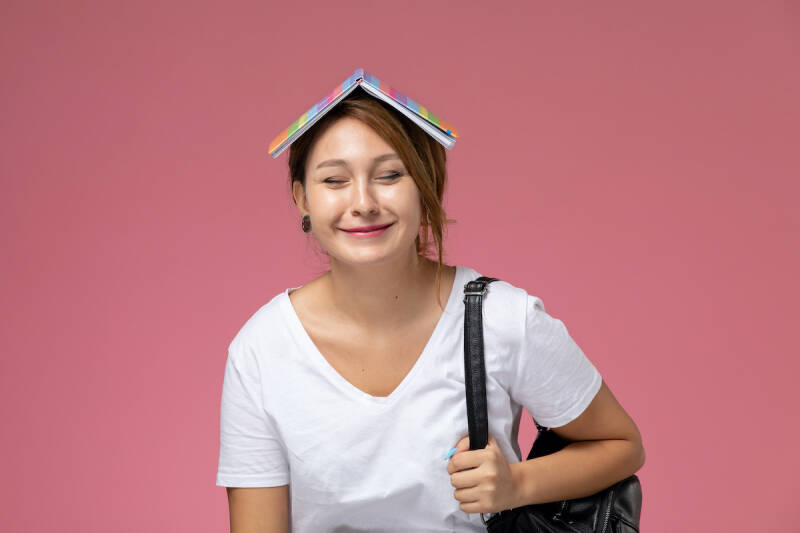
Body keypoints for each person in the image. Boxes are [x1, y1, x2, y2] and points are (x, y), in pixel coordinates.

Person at [216, 84, 645, 533]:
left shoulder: (502, 319)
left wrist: (517, 484)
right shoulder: (262, 349)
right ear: (303, 197)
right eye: (334, 180)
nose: (363, 203)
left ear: (427, 187)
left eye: (389, 175)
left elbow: (621, 444)